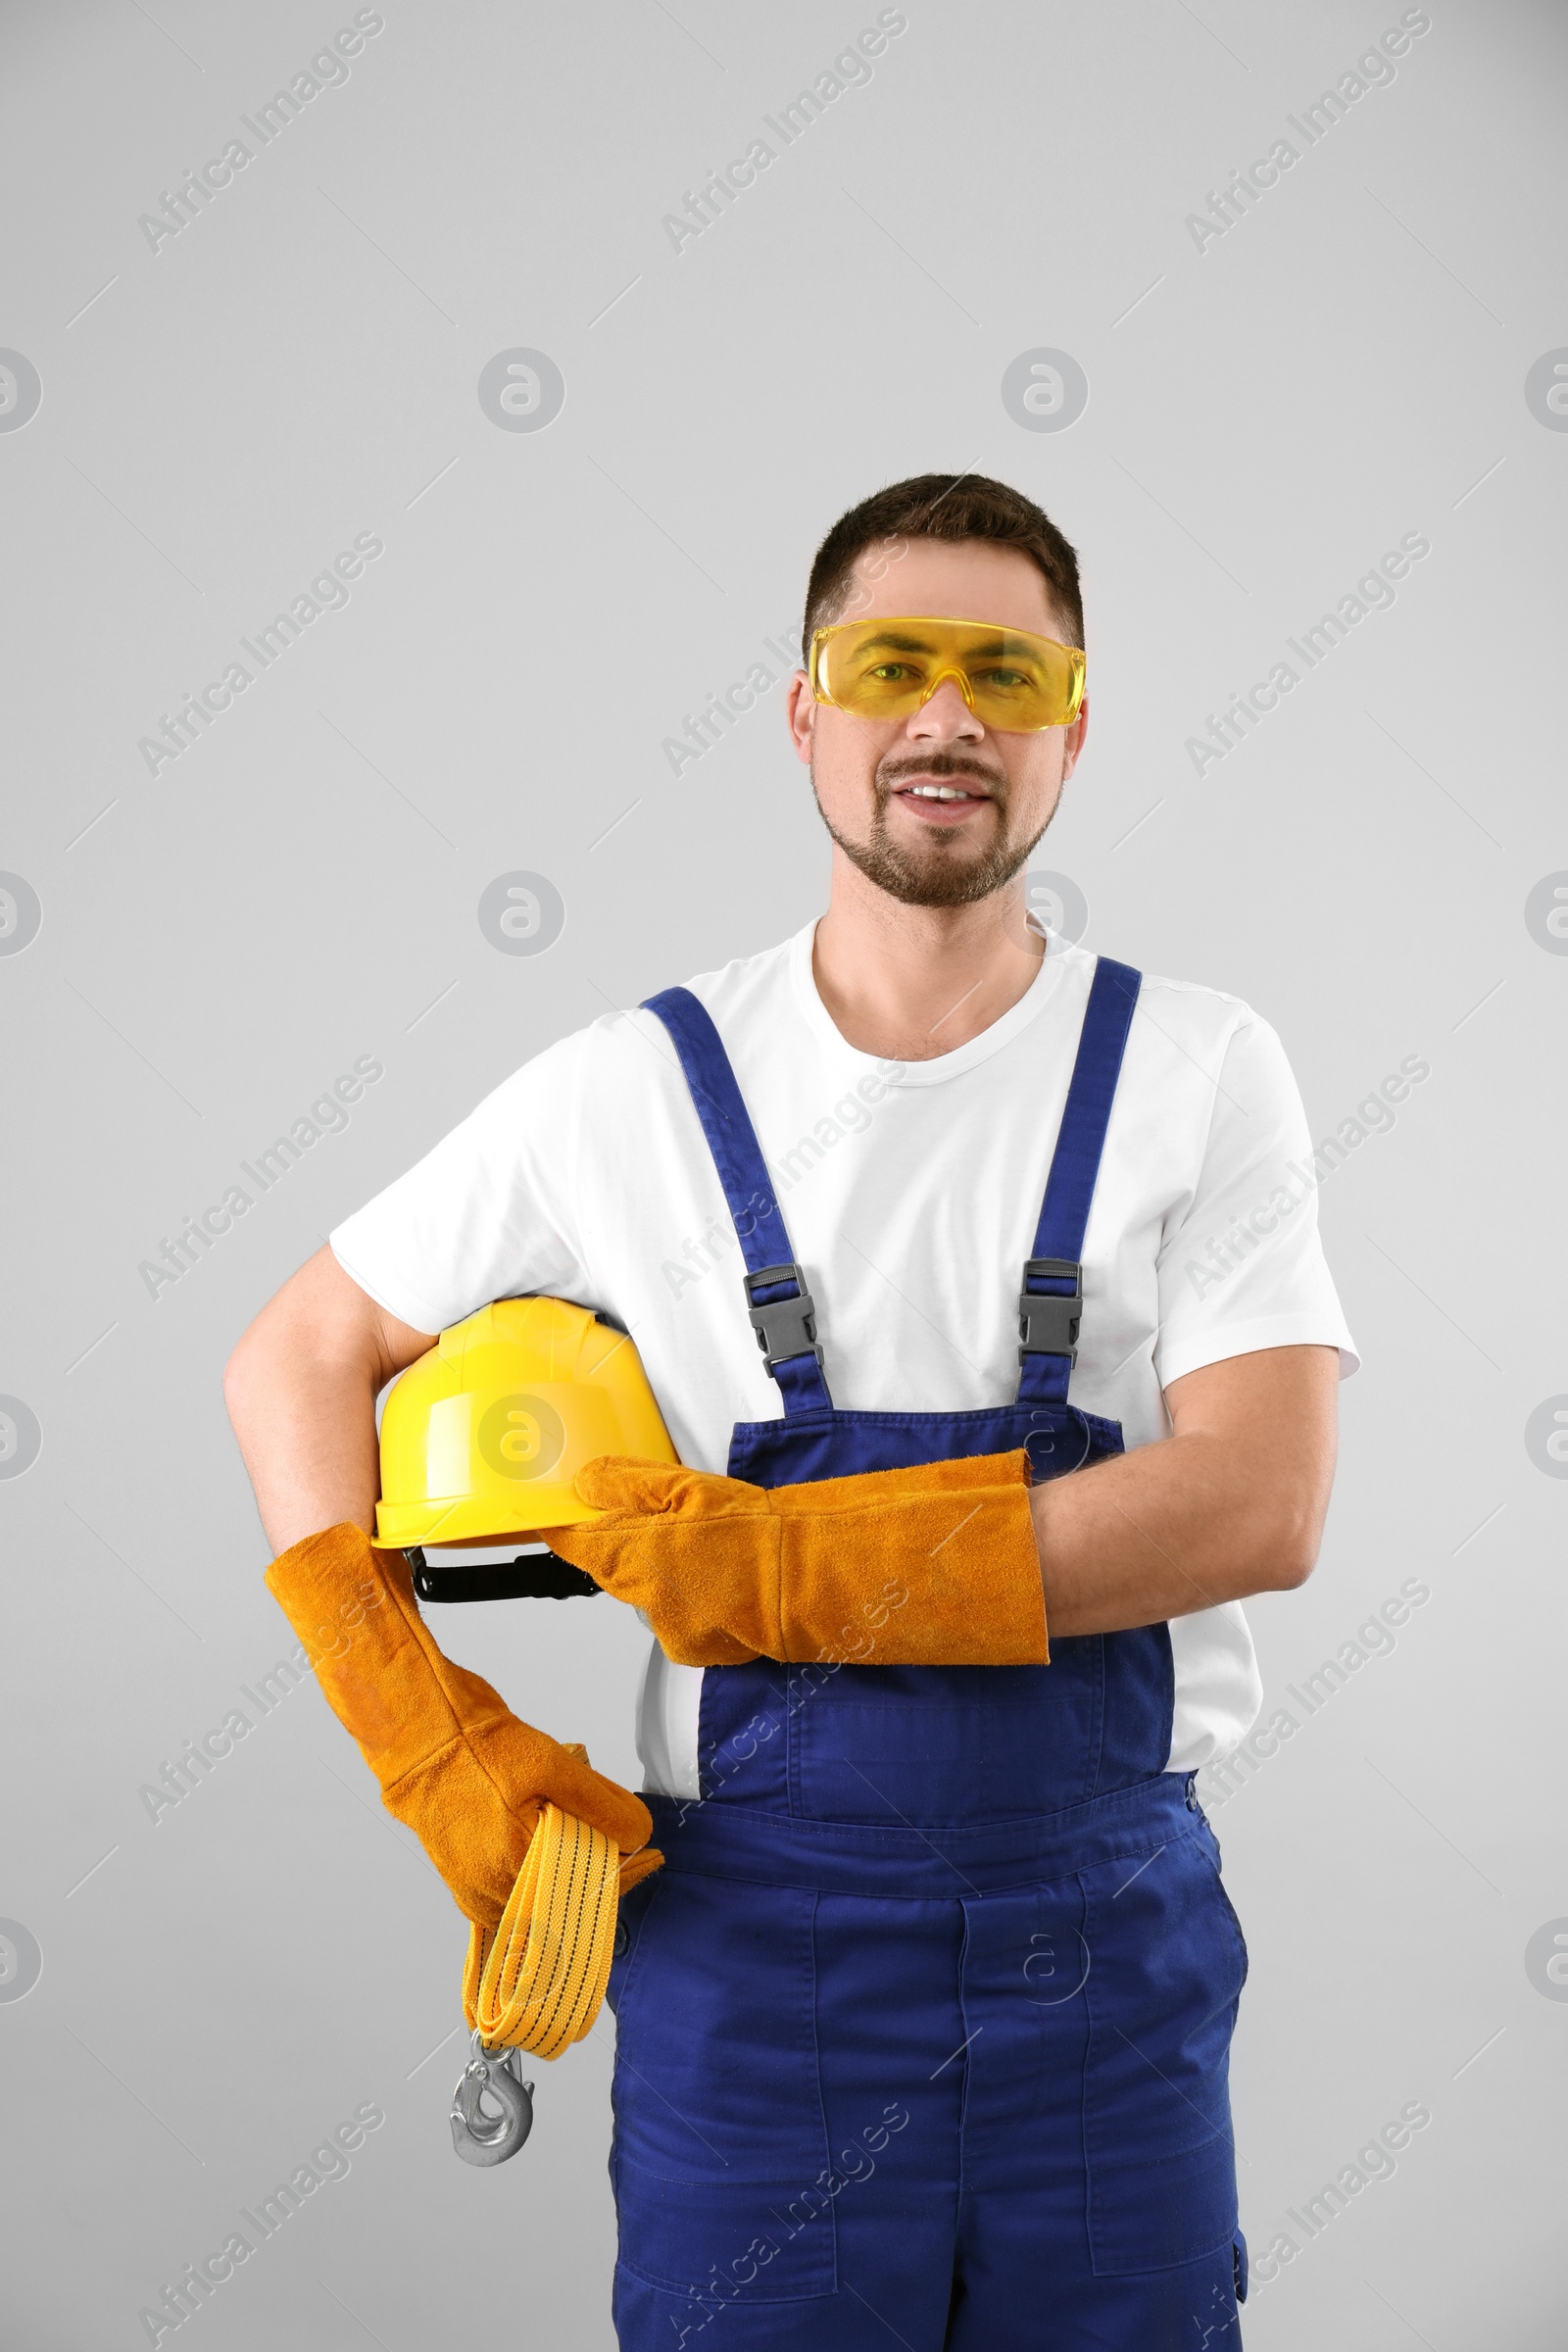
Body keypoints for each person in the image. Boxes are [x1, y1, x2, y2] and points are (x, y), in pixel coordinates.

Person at [225, 472, 1353, 2348]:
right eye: (890, 661)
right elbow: (297, 1352)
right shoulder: (632, 1086)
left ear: (1072, 724)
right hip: (761, 1977)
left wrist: (773, 1564)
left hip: (1105, 1965)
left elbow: (1261, 1505)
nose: (948, 716)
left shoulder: (1197, 1066)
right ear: (805, 710)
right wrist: (418, 1731)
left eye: (1009, 671)